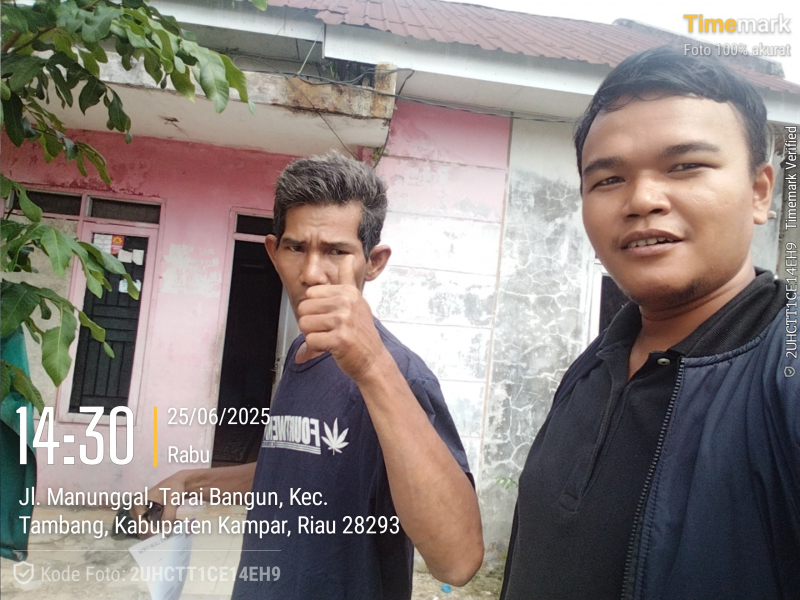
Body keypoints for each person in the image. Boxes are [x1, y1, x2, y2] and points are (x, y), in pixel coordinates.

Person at [500, 47, 799, 600]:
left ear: (760, 191)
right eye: (608, 179)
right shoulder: (597, 364)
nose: (641, 200)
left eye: (685, 166)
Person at [136, 152, 483, 598]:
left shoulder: (402, 375)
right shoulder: (299, 352)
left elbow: (458, 560)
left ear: (374, 262)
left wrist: (372, 368)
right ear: (273, 251)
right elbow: (291, 471)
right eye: (296, 248)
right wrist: (190, 483)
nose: (311, 273)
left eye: (336, 251)